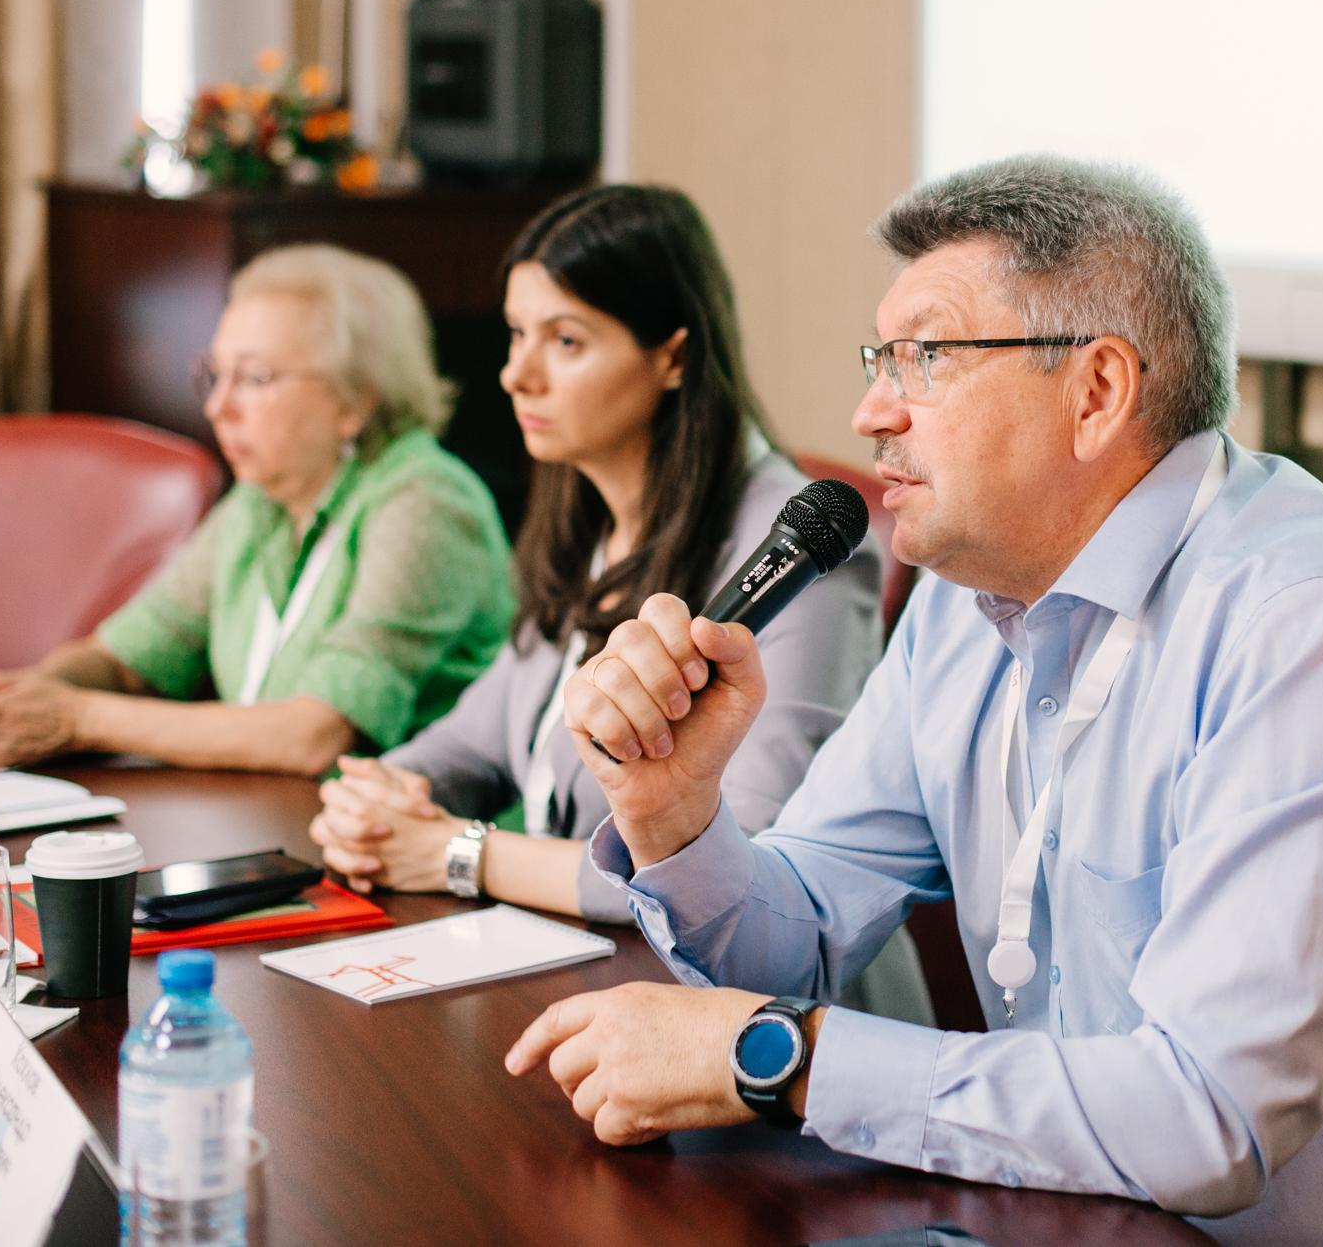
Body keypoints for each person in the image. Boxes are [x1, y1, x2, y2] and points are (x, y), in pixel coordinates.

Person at [504, 156, 1323, 1245]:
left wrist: (782, 1058)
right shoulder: (960, 605)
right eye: (876, 359)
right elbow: (793, 941)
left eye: (922, 359)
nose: (870, 410)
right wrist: (675, 814)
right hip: (1076, 1214)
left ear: (1095, 391)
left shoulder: (1317, 626)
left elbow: (1205, 1118)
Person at [305, 186, 904, 964]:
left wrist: (464, 853)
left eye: (565, 342)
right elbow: (475, 745)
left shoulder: (792, 561)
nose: (516, 375)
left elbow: (749, 866)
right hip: (588, 965)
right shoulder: (587, 522)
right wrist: (373, 802)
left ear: (675, 356)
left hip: (763, 1012)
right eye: (517, 334)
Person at [0, 245, 515, 776]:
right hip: (277, 821)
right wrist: (24, 696)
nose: (218, 407)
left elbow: (314, 735)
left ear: (355, 400)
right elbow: (128, 655)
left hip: (411, 857)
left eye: (254, 379)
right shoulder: (260, 500)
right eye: (215, 375)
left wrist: (76, 717)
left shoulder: (426, 503)